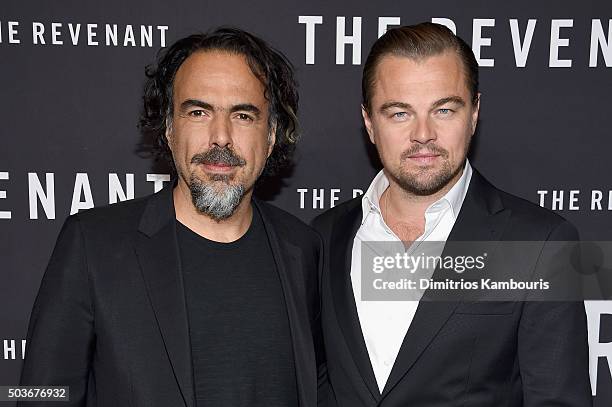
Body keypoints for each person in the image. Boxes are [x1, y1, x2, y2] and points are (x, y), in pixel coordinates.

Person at [20, 27, 325, 407]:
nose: (220, 138)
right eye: (198, 112)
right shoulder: (93, 245)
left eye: (243, 116)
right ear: (167, 128)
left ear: (272, 134)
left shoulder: (303, 249)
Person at [312, 22, 592, 406]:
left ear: (474, 113)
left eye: (443, 109)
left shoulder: (539, 245)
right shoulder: (324, 236)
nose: (423, 133)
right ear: (369, 123)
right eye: (399, 113)